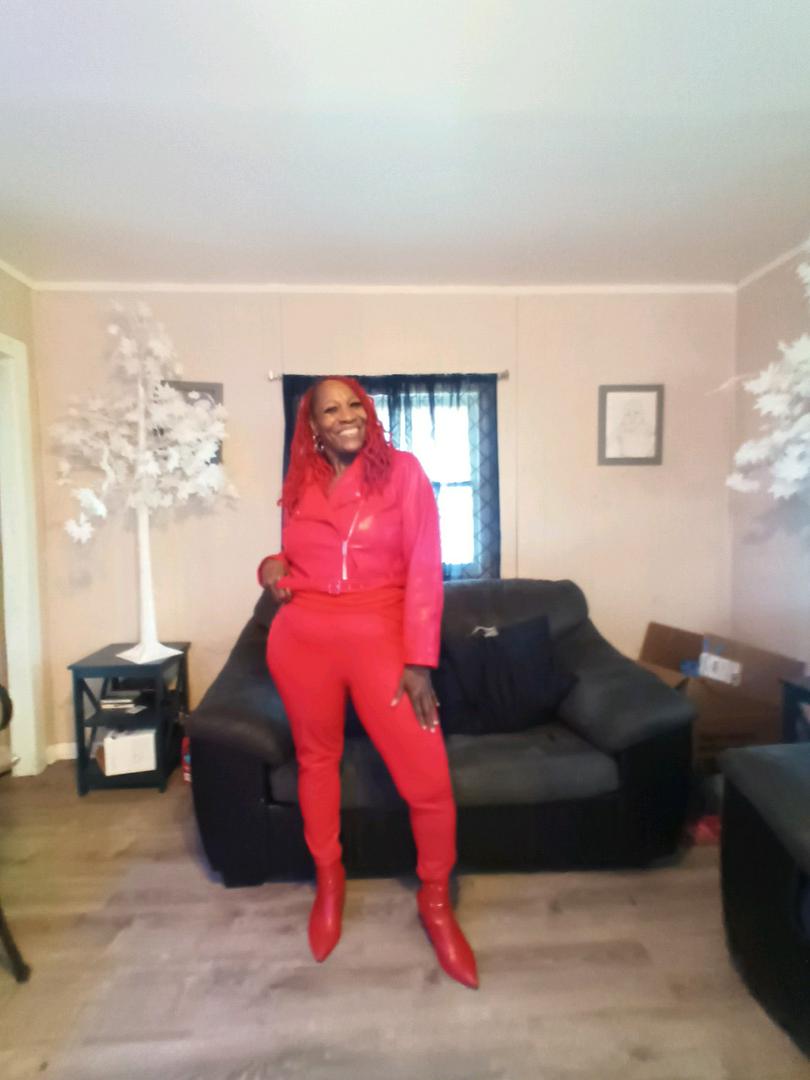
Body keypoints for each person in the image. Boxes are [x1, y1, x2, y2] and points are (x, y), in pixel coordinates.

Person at [257, 376, 478, 989]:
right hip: (302, 641)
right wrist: (270, 567)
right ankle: (329, 882)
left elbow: (425, 568)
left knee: (428, 780)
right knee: (316, 762)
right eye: (330, 410)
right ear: (313, 426)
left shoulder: (403, 473)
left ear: (369, 411)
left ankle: (436, 901)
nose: (346, 416)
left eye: (354, 404)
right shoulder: (301, 482)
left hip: (382, 637)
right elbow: (293, 557)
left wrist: (419, 660)